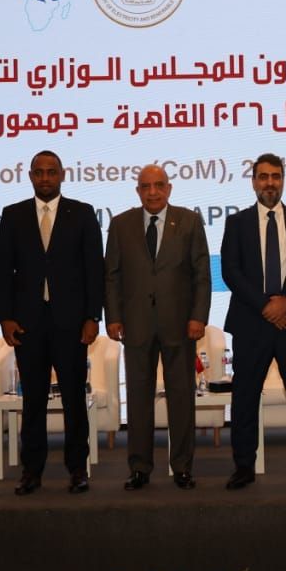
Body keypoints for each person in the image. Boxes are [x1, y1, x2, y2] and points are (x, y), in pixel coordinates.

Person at [0, 150, 103, 495]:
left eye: (51, 172)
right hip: (27, 323)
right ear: (30, 176)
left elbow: (94, 270)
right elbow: (2, 270)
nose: (45, 178)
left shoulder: (82, 213)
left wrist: (92, 317)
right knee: (33, 401)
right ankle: (31, 470)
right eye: (39, 172)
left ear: (61, 175)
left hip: (71, 323)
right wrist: (5, 317)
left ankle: (77, 468)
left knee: (74, 399)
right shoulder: (13, 215)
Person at [220, 153, 286, 490]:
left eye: (276, 176)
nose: (270, 183)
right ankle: (244, 466)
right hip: (251, 323)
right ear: (254, 181)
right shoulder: (237, 223)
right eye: (263, 177)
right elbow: (231, 271)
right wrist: (266, 306)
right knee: (245, 397)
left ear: (283, 180)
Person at [105, 165, 211, 491]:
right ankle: (139, 468)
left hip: (179, 324)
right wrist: (113, 316)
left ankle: (182, 467)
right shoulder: (120, 224)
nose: (152, 192)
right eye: (146, 186)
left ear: (169, 188)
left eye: (158, 185)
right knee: (138, 399)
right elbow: (112, 276)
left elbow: (201, 274)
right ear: (138, 191)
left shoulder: (189, 221)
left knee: (181, 398)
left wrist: (198, 316)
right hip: (135, 325)